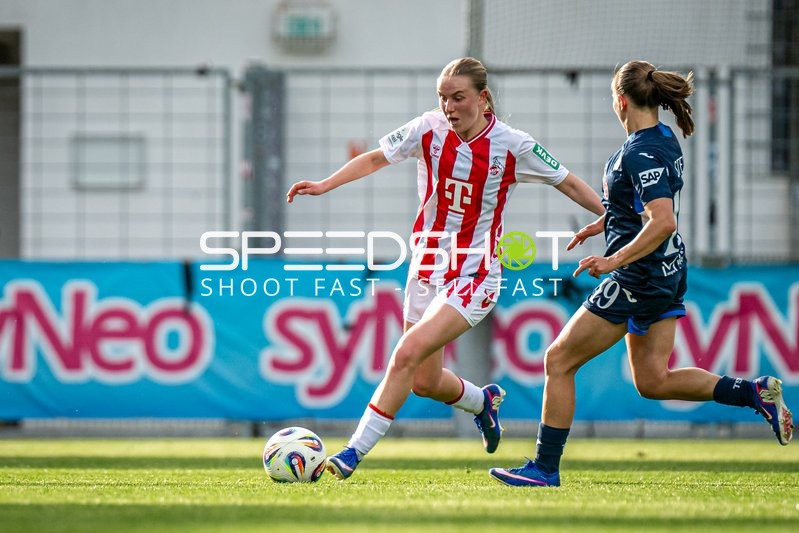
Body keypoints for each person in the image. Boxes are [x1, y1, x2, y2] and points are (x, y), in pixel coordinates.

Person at [286, 57, 606, 480]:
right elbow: (376, 158)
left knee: (404, 353)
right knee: (423, 379)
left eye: (458, 98)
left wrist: (610, 215)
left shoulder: (514, 145)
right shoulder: (428, 128)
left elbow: (566, 180)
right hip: (426, 267)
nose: (449, 107)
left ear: (483, 99)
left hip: (474, 274)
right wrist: (326, 184)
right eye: (443, 98)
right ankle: (482, 402)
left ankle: (352, 453)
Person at [489, 60, 794, 488]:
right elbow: (641, 208)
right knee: (652, 380)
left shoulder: (640, 152)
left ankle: (544, 468)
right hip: (665, 270)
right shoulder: (662, 139)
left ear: (621, 100)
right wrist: (604, 224)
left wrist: (613, 260)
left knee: (558, 360)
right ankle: (754, 392)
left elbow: (663, 219)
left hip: (639, 277)